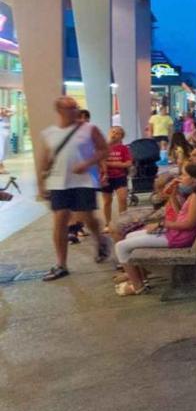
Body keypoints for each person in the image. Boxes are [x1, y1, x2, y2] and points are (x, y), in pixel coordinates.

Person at [113, 161, 196, 296]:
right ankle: (140, 279)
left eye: (184, 175)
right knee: (128, 237)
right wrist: (172, 195)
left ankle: (138, 286)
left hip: (180, 238)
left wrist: (162, 224)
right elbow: (180, 217)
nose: (180, 178)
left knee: (121, 246)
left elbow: (189, 224)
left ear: (194, 180)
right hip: (178, 234)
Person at [38, 97, 111, 280]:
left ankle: (100, 239)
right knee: (60, 220)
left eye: (75, 107)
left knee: (87, 217)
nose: (75, 110)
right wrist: (41, 184)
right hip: (58, 183)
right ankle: (61, 264)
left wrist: (88, 163)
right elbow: (45, 159)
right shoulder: (50, 133)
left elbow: (104, 150)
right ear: (60, 110)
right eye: (70, 108)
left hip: (83, 181)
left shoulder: (89, 129)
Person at [101, 126, 133, 229]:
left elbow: (128, 163)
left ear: (121, 136)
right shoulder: (104, 147)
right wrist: (117, 163)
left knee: (122, 199)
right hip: (106, 177)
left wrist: (111, 164)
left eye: (117, 133)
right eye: (113, 132)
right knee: (107, 201)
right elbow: (100, 162)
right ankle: (108, 224)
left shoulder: (124, 148)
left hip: (120, 176)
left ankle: (122, 223)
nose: (114, 134)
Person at [0, 107, 11, 172]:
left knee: (4, 151)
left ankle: (2, 167)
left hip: (5, 137)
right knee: (1, 152)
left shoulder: (6, 117)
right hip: (0, 137)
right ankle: (1, 168)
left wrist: (5, 109)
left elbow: (13, 111)